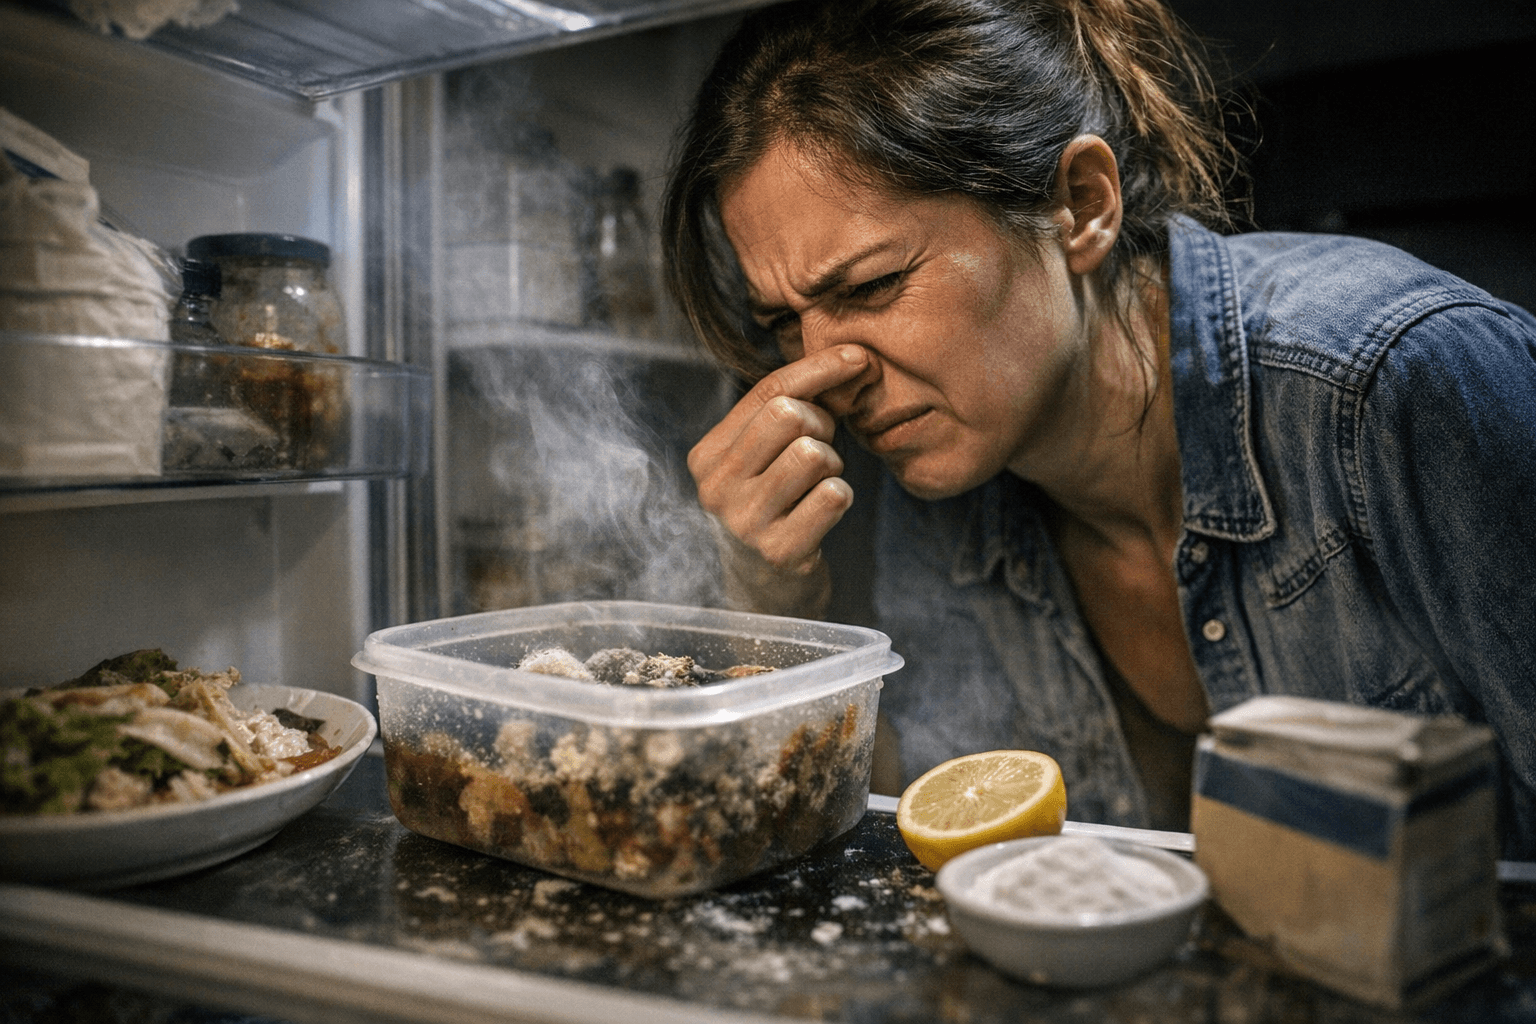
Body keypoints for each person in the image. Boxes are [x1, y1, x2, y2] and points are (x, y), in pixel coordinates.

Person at [660, 0, 1536, 854]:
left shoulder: (1398, 385)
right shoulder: (943, 481)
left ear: (1081, 205)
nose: (825, 373)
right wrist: (772, 607)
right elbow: (944, 831)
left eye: (871, 287)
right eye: (785, 321)